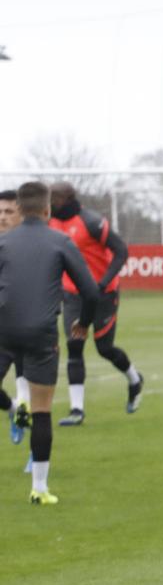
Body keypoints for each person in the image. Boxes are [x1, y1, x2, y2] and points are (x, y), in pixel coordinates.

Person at [0, 182, 99, 504]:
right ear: (47, 210)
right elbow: (91, 291)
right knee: (42, 413)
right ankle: (39, 489)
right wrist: (82, 324)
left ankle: (14, 408)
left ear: (20, 209)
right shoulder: (60, 241)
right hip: (42, 334)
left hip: (4, 330)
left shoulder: (3, 243)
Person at [48, 182, 143, 424]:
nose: (50, 203)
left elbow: (121, 251)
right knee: (74, 345)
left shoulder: (91, 222)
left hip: (103, 294)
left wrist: (103, 283)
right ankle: (77, 410)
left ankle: (134, 380)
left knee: (105, 349)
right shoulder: (50, 222)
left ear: (68, 199)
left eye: (54, 199)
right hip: (71, 293)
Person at [0, 188, 25, 445]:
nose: (2, 217)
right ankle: (12, 410)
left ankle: (37, 456)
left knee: (32, 395)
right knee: (22, 402)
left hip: (31, 331)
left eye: (9, 211)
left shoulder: (31, 246)